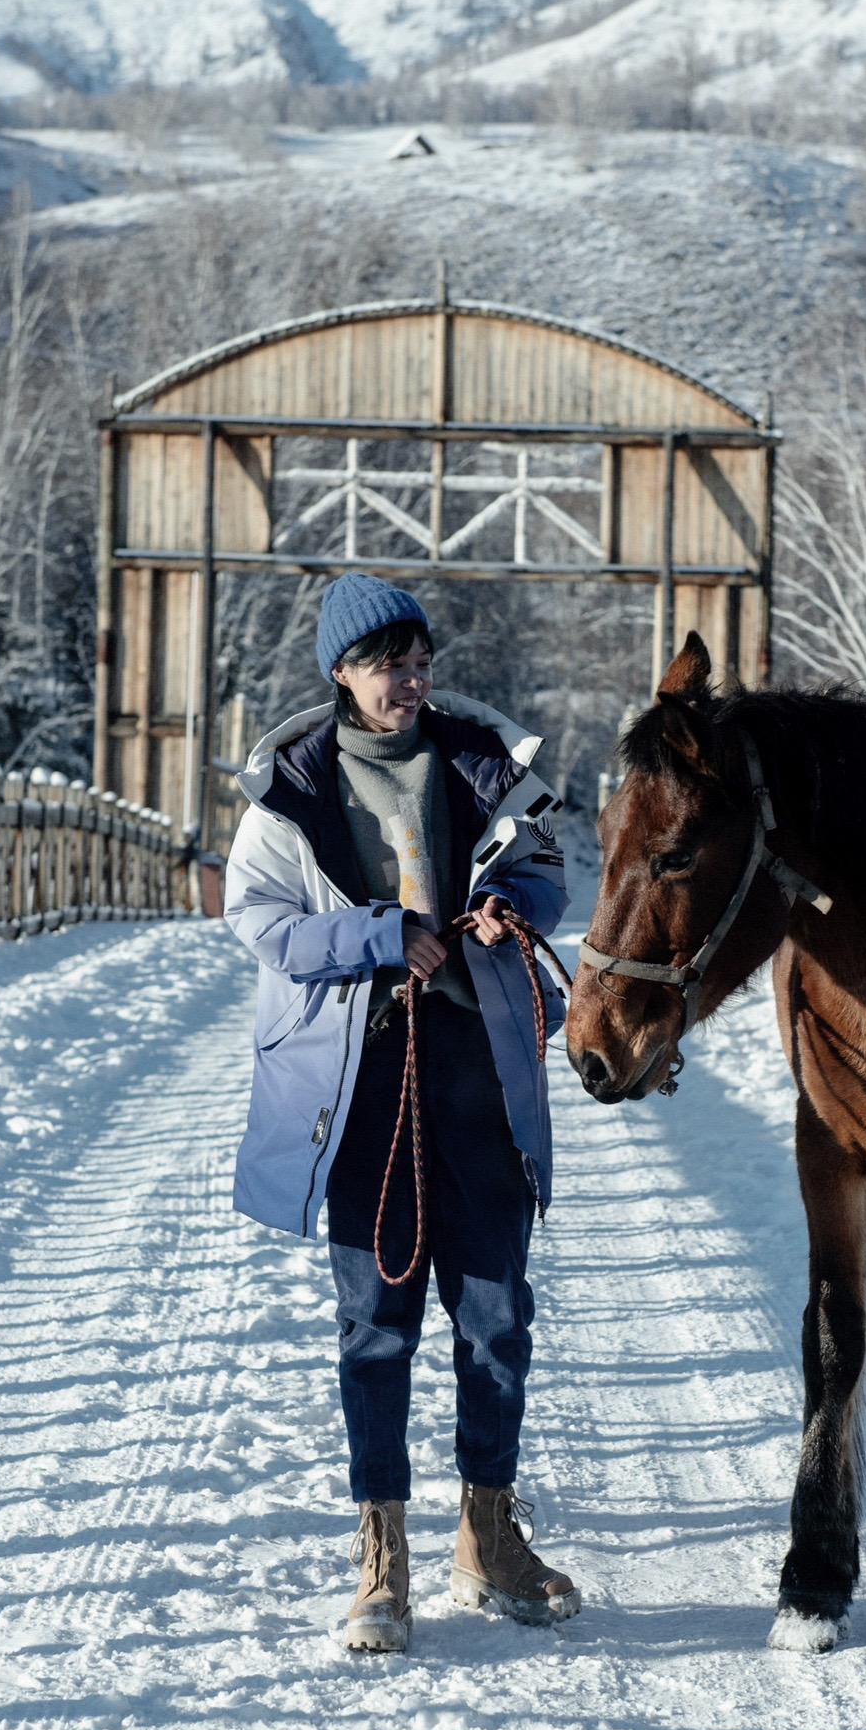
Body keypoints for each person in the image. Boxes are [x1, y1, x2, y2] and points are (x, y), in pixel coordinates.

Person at [223, 574, 580, 1654]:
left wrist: (509, 905)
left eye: (418, 660)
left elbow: (552, 869)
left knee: (497, 1315)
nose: (409, 681)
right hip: (359, 1079)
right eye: (386, 664)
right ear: (340, 673)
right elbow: (260, 919)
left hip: (478, 1062)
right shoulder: (293, 788)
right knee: (377, 1324)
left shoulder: (482, 760)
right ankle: (381, 1556)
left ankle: (489, 1535)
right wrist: (377, 936)